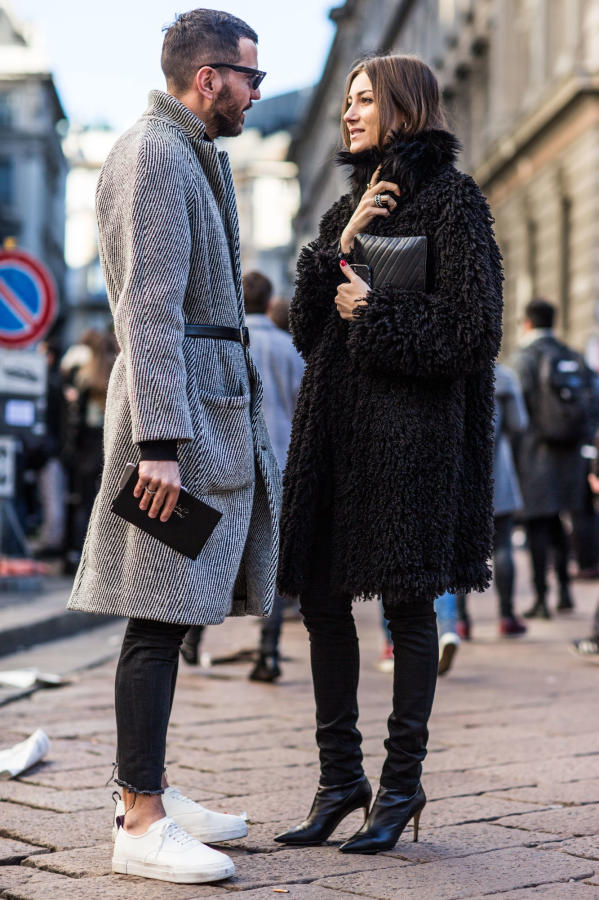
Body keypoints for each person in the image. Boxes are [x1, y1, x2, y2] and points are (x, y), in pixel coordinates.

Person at [67, 9, 281, 885]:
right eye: (249, 78)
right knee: (156, 622)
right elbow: (148, 310)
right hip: (175, 430)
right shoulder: (156, 155)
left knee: (177, 613)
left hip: (196, 414)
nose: (255, 93)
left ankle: (147, 784)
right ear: (208, 78)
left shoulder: (183, 150)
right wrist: (159, 444)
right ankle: (140, 819)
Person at [275, 54, 502, 854]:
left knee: (407, 608)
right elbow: (308, 331)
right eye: (347, 99)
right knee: (324, 602)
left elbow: (474, 332)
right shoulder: (349, 203)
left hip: (413, 440)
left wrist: (376, 310)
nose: (350, 112)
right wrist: (339, 243)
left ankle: (400, 787)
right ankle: (341, 780)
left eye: (365, 98)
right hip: (335, 435)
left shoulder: (453, 202)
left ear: (405, 107)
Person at [180, 271, 303, 681]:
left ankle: (191, 638)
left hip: (227, 456)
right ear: (270, 304)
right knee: (274, 558)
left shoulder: (223, 341)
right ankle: (267, 654)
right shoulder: (290, 349)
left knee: (211, 549)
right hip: (280, 460)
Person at [510, 299, 595, 619]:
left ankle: (541, 599)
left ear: (527, 323)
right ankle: (565, 591)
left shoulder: (524, 358)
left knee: (537, 526)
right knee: (560, 521)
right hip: (570, 454)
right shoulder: (571, 355)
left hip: (536, 454)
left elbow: (518, 415)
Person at [457, 362, 529, 638]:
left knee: (460, 549)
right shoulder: (504, 376)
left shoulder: (451, 367)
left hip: (460, 475)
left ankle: (461, 622)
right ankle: (507, 616)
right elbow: (519, 424)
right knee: (502, 546)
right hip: (497, 473)